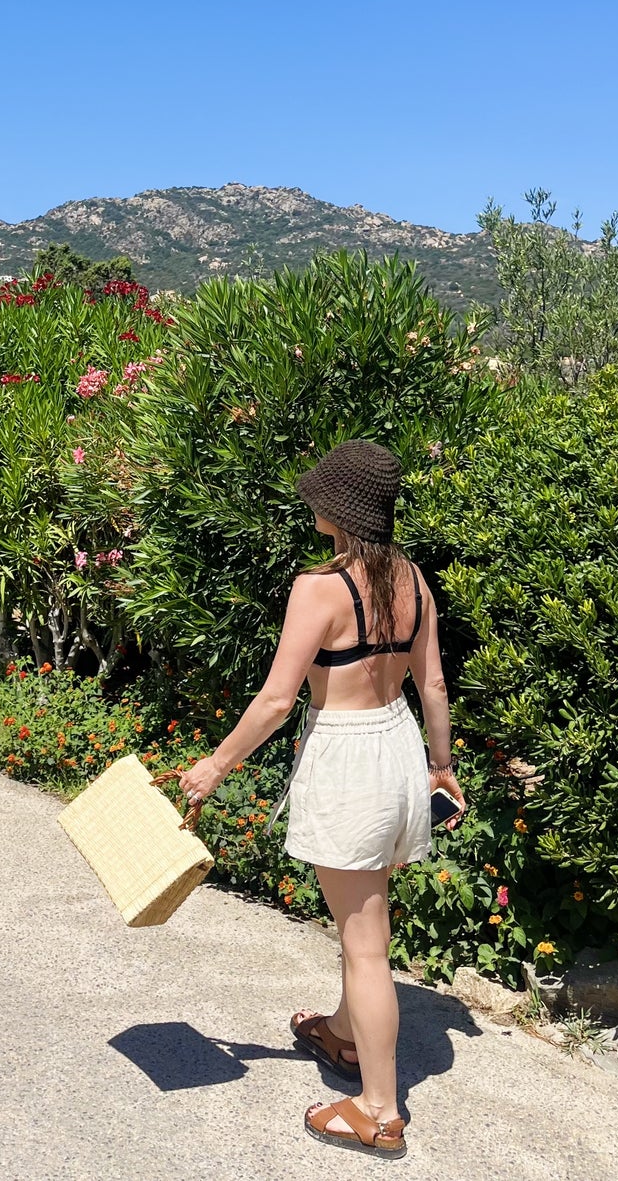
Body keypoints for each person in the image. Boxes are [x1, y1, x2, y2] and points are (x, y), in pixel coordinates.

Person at [178, 439, 463, 1161]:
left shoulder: (319, 586)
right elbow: (431, 685)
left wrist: (215, 764)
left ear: (336, 507)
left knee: (366, 943)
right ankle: (340, 1031)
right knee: (360, 913)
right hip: (398, 751)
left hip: (348, 758)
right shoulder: (414, 579)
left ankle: (378, 1109)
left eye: (317, 494)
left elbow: (277, 699)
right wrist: (441, 765)